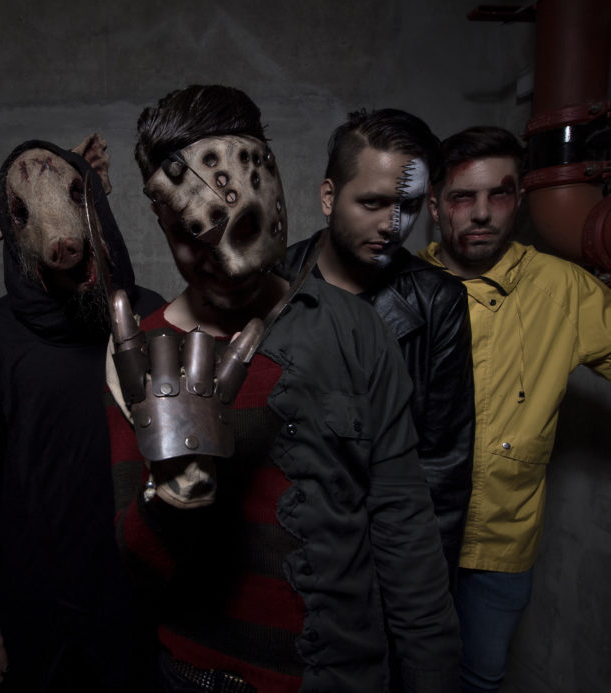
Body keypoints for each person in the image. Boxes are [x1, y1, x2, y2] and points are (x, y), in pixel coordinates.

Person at [107, 84, 459, 693]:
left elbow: (405, 529)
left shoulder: (355, 331)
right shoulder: (141, 357)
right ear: (165, 222)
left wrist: (432, 678)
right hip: (196, 679)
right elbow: (131, 574)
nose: (228, 264)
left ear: (272, 189)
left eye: (242, 226)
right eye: (195, 234)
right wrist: (167, 503)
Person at [418, 125, 611, 692]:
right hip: (411, 544)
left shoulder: (560, 288)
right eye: (462, 197)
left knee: (480, 678)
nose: (482, 213)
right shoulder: (403, 289)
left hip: (502, 547)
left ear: (520, 199)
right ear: (434, 206)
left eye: (498, 194)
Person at [0, 138, 164, 691]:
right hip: (32, 599)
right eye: (22, 213)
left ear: (97, 192)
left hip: (137, 594)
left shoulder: (154, 318)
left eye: (73, 195)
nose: (61, 239)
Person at [284, 108, 474, 591]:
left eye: (409, 206)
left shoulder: (438, 302)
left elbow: (443, 468)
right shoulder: (272, 283)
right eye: (372, 202)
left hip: (378, 564)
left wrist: (422, 595)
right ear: (329, 196)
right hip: (280, 549)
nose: (392, 224)